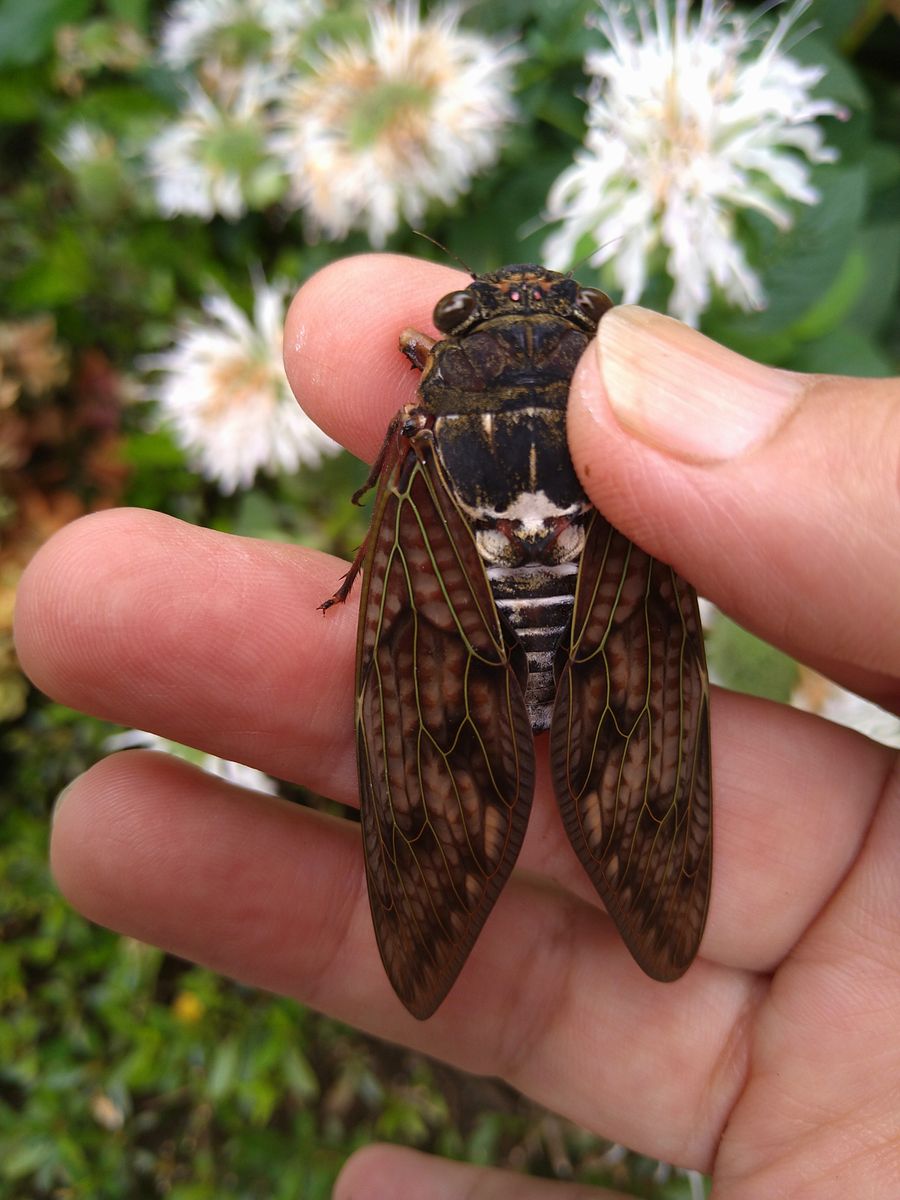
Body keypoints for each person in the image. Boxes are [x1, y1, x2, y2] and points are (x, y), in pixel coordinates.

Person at [14, 256, 900, 1198]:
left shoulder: (419, 415)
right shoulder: (588, 393)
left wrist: (377, 548)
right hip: (610, 605)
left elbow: (386, 479)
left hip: (450, 599)